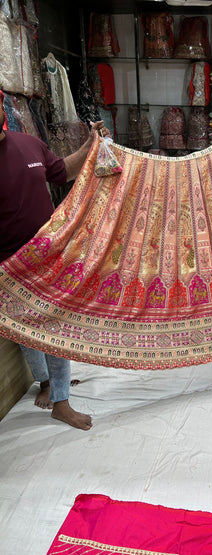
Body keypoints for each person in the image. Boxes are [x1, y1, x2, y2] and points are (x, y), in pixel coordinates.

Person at [0, 90, 107, 429]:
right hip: (6, 265)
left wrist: (91, 146)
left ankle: (61, 400)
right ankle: (45, 381)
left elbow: (61, 171)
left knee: (55, 326)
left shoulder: (28, 144)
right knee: (25, 331)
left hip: (46, 255)